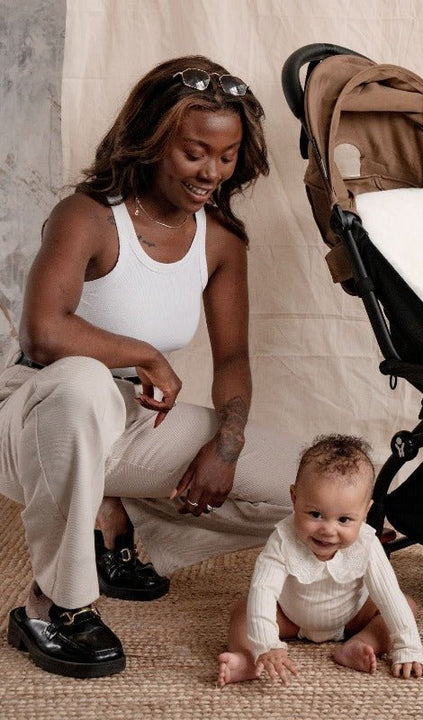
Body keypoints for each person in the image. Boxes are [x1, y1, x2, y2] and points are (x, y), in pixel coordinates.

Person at [0, 56, 301, 678]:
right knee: (84, 382)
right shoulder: (87, 215)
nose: (212, 172)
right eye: (196, 152)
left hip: (132, 421)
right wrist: (143, 354)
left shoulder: (220, 238)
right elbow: (43, 331)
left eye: (227, 155)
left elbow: (235, 358)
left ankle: (123, 525)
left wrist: (227, 442)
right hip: (32, 412)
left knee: (306, 488)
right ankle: (53, 605)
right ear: (154, 140)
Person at [217, 434, 423, 686]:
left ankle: (361, 642)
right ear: (295, 499)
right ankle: (249, 659)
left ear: (365, 512)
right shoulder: (282, 540)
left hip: (352, 618)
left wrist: (409, 648)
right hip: (291, 619)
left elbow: (388, 595)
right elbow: (264, 590)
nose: (328, 529)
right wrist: (267, 643)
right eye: (316, 514)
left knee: (406, 604)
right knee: (245, 610)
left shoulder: (367, 543)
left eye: (344, 520)